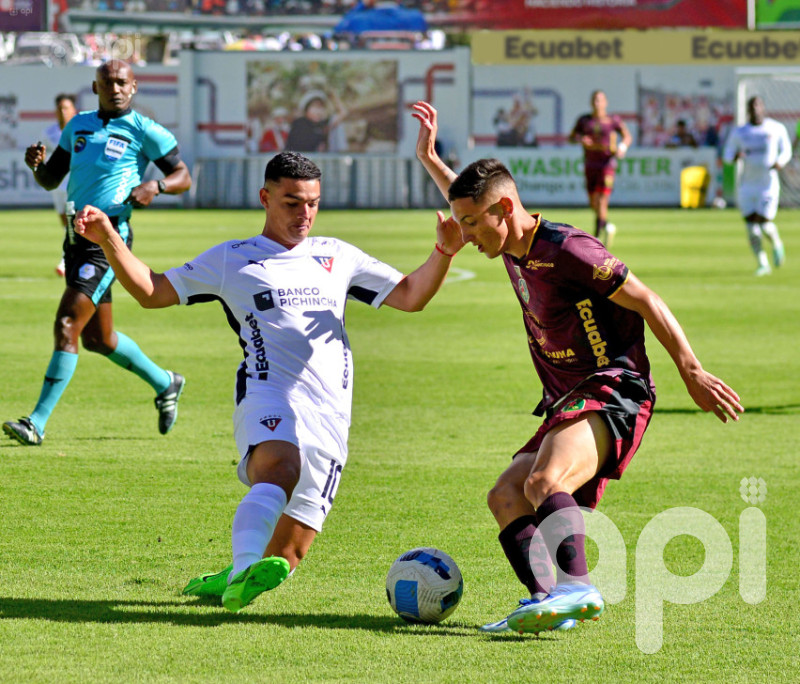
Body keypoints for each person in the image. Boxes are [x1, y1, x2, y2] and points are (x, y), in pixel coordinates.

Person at [73, 151, 464, 613]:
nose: (305, 215)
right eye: (292, 203)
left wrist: (444, 251)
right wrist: (109, 238)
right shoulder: (232, 259)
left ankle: (233, 576)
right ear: (265, 198)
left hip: (331, 416)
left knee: (286, 556)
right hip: (268, 393)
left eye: (313, 203)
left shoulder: (336, 256)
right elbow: (152, 291)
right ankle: (241, 570)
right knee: (281, 468)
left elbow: (411, 296)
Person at [412, 100, 743, 635]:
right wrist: (431, 158)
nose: (466, 234)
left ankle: (578, 588)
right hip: (570, 398)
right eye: (461, 222)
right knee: (505, 496)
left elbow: (647, 299)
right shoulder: (505, 236)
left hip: (615, 387)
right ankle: (548, 601)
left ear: (505, 209)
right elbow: (471, 198)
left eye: (472, 224)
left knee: (545, 480)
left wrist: (692, 371)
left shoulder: (569, 249)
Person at [3, 60, 192, 447]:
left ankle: (36, 422)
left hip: (108, 242)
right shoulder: (78, 126)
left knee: (67, 323)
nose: (116, 89)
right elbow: (51, 179)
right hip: (75, 242)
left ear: (134, 86)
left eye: (122, 82)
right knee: (98, 339)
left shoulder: (145, 130)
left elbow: (183, 176)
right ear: (95, 87)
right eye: (108, 83)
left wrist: (156, 188)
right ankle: (165, 381)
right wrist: (36, 167)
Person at [722, 96, 792, 277]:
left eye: (758, 105)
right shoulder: (740, 132)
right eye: (751, 106)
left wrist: (780, 162)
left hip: (767, 184)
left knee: (764, 223)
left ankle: (776, 243)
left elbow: (786, 150)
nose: (755, 109)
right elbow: (727, 153)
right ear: (747, 110)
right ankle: (762, 263)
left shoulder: (775, 128)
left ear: (763, 108)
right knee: (751, 226)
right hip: (747, 184)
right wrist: (734, 156)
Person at [569, 90, 632, 247]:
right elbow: (571, 137)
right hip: (590, 164)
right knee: (593, 203)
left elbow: (627, 136)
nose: (598, 103)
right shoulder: (584, 121)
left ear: (606, 103)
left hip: (607, 164)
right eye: (595, 100)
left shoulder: (612, 120)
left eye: (600, 100)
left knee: (602, 200)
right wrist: (581, 139)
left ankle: (596, 237)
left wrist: (622, 148)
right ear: (591, 103)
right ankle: (607, 225)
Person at [43, 93, 78, 277]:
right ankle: (70, 255)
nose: (63, 112)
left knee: (76, 224)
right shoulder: (49, 133)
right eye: (59, 108)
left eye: (66, 108)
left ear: (74, 110)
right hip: (58, 187)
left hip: (76, 186)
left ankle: (66, 260)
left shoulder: (80, 130)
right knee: (66, 224)